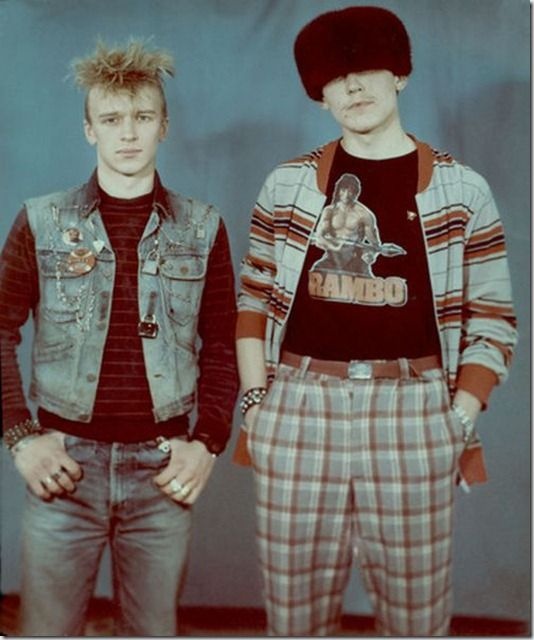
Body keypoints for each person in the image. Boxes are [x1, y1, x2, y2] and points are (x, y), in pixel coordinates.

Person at [233, 6, 517, 636]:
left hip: (413, 410)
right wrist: (256, 403)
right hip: (299, 406)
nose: (353, 86)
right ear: (320, 94)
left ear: (401, 76)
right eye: (336, 77)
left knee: (417, 619)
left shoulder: (461, 190)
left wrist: (458, 416)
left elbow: (493, 318)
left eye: (366, 68)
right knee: (294, 618)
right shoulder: (288, 187)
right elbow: (253, 299)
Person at [0, 39, 238, 636]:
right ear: (89, 130)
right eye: (110, 119)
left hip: (161, 471)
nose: (128, 133)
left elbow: (224, 341)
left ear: (164, 126)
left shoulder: (202, 227)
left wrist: (207, 442)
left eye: (142, 117)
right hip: (65, 467)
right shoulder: (42, 221)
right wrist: (21, 437)